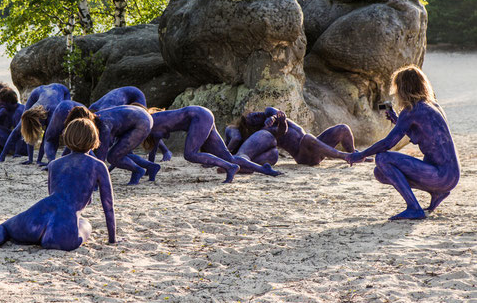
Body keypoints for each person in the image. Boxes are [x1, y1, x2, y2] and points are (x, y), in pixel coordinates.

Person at [0, 114, 116, 251]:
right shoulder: (98, 166)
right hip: (61, 234)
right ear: (93, 139)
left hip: (38, 217)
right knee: (85, 223)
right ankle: (48, 235)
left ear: (67, 137)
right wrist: (112, 240)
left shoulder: (54, 164)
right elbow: (108, 206)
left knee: (3, 227)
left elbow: (54, 194)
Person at [346, 65, 460, 220]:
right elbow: (420, 137)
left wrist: (361, 155)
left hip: (440, 175)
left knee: (382, 159)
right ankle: (437, 192)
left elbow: (387, 143)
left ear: (403, 88)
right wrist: (397, 120)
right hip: (451, 175)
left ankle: (414, 208)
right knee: (380, 173)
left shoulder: (411, 110)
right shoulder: (434, 105)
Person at [226, 107, 354, 166]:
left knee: (342, 128)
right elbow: (282, 130)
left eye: (252, 113)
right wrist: (280, 122)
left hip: (315, 145)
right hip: (304, 156)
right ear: (254, 125)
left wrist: (275, 117)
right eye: (253, 118)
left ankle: (354, 154)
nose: (256, 114)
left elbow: (279, 114)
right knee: (307, 138)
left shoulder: (268, 112)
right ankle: (344, 156)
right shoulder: (265, 133)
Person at [67, 105, 160, 185]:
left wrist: (95, 181)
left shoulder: (103, 126)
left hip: (142, 122)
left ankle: (138, 170)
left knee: (113, 156)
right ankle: (150, 166)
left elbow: (100, 158)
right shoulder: (97, 120)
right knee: (121, 152)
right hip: (138, 115)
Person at [146, 106, 240, 183]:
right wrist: (149, 171)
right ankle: (252, 168)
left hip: (199, 116)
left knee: (190, 154)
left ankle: (230, 167)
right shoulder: (154, 119)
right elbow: (153, 150)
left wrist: (149, 171)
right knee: (226, 156)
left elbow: (154, 146)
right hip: (203, 113)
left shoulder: (151, 122)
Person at [0, 83, 71, 164]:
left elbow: (48, 138)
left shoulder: (53, 113)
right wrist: (2, 156)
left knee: (52, 133)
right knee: (19, 127)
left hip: (61, 89)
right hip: (38, 91)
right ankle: (4, 156)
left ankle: (51, 160)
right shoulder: (31, 111)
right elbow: (20, 132)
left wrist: (40, 160)